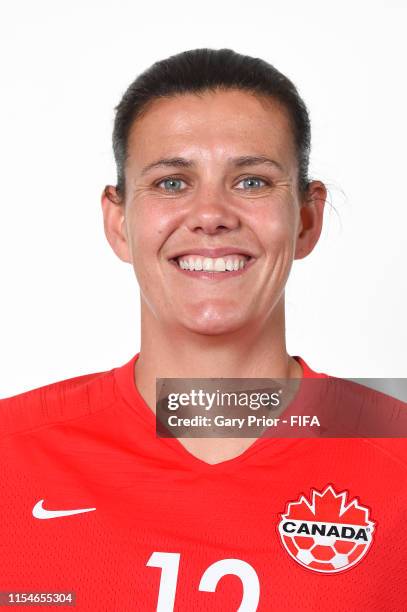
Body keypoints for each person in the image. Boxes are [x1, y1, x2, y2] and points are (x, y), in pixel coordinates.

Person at [1, 48, 406, 611]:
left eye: (252, 182)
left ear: (307, 219)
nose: (211, 213)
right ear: (118, 222)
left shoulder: (396, 451)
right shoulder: (11, 456)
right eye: (171, 183)